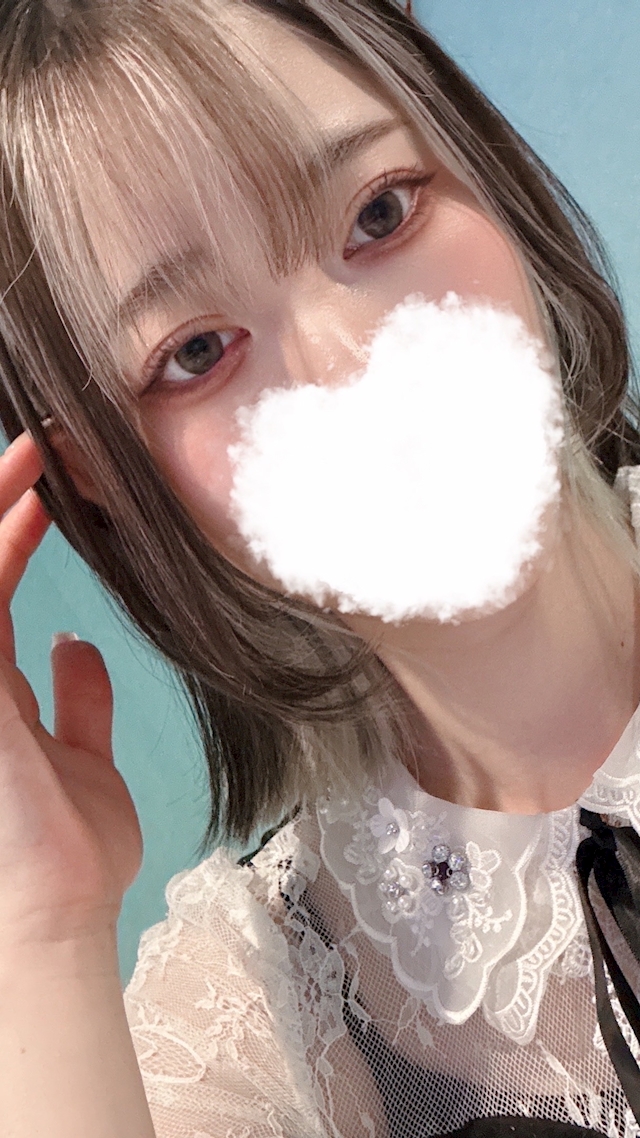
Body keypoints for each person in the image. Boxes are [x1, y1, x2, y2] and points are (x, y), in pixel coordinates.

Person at [1, 1, 640, 1135]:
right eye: (198, 351)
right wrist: (42, 930)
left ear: (473, 152)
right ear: (102, 474)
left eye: (379, 212)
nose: (356, 368)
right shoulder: (257, 1000)